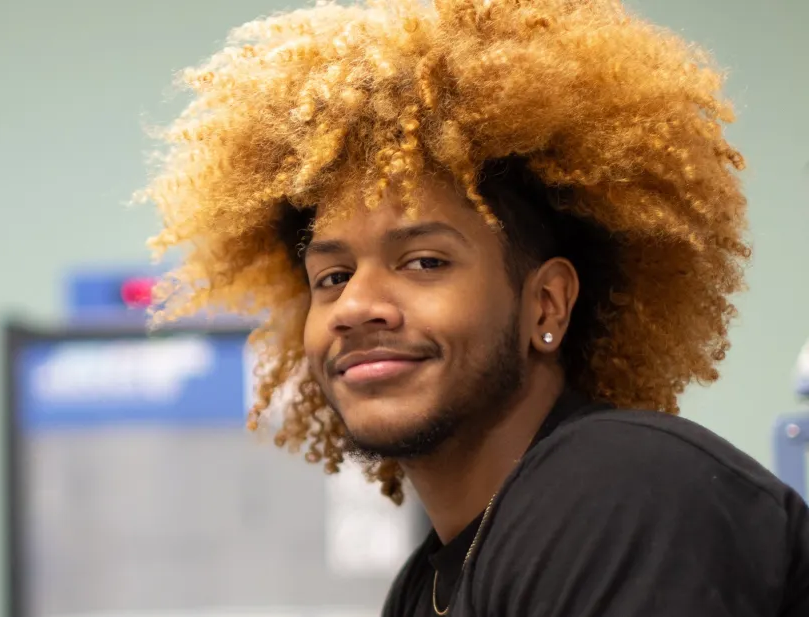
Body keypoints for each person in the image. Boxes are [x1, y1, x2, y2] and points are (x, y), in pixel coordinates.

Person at [139, 0, 809, 615]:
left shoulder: (623, 489)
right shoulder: (425, 584)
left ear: (545, 304)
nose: (357, 306)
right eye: (332, 276)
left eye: (424, 262)